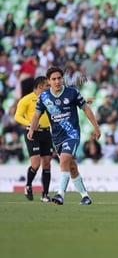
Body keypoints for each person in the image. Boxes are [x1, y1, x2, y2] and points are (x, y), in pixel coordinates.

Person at [27, 66, 101, 205]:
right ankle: (85, 196)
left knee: (64, 160)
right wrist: (32, 129)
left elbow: (86, 108)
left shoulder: (72, 92)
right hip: (57, 138)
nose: (57, 81)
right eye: (53, 79)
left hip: (72, 134)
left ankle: (60, 194)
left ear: (63, 79)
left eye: (59, 78)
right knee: (72, 167)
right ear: (49, 81)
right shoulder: (44, 97)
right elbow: (36, 115)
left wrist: (96, 126)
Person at [14, 76, 53, 202]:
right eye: (47, 85)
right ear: (40, 86)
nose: (49, 87)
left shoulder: (50, 98)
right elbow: (17, 116)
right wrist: (29, 124)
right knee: (35, 164)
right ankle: (28, 185)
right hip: (33, 133)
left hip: (47, 133)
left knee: (47, 164)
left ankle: (45, 195)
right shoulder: (26, 100)